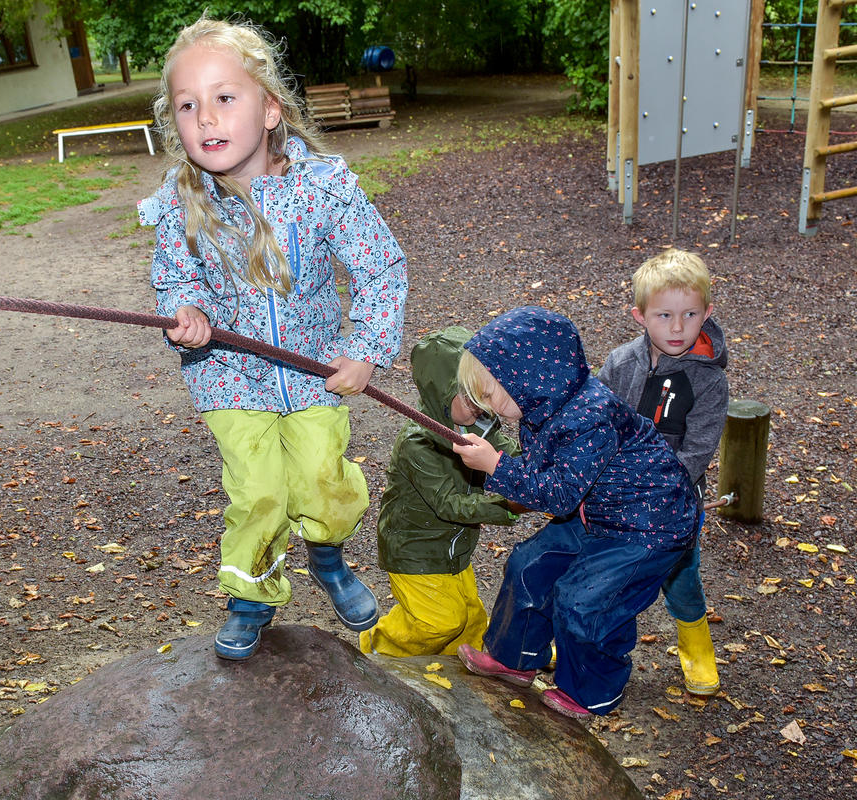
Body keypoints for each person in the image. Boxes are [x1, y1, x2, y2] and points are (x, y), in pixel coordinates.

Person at [137, 17, 407, 661]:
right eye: (187, 105)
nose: (205, 117)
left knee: (320, 480)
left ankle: (327, 554)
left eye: (224, 98)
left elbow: (379, 265)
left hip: (314, 370)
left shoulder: (322, 189)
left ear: (270, 110)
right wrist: (186, 313)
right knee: (257, 492)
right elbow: (174, 278)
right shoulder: (181, 204)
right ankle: (252, 595)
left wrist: (367, 351)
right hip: (229, 377)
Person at [450, 307, 699, 720]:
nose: (484, 405)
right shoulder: (544, 405)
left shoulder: (589, 418)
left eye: (489, 393)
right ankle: (516, 658)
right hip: (597, 512)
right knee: (530, 564)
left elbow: (560, 494)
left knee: (584, 601)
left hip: (648, 527)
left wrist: (497, 467)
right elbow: (543, 472)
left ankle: (592, 692)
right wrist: (508, 470)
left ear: (526, 380)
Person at [597, 248, 728, 695]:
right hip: (612, 496)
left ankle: (697, 649)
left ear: (706, 313)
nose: (677, 328)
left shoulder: (709, 379)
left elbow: (698, 449)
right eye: (664, 315)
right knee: (599, 570)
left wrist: (654, 487)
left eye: (690, 314)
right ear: (639, 316)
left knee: (681, 576)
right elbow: (597, 421)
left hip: (674, 502)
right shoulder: (619, 363)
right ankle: (583, 638)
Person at [359, 326, 523, 658]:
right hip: (414, 549)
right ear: (442, 392)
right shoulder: (419, 442)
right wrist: (509, 505)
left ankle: (470, 661)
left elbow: (508, 454)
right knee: (438, 621)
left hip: (452, 547)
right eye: (470, 397)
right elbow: (450, 504)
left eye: (484, 393)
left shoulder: (478, 424)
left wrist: (533, 469)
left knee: (470, 616)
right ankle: (377, 648)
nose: (481, 406)